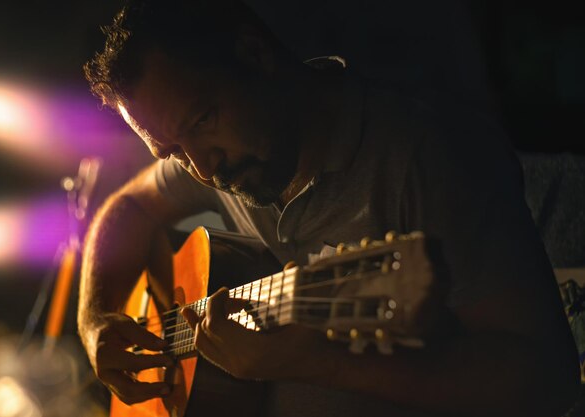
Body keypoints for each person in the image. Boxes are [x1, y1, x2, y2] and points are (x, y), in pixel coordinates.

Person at [77, 1, 580, 416]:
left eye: (203, 120)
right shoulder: (225, 157)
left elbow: (547, 385)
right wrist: (95, 318)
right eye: (171, 153)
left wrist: (321, 361)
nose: (204, 171)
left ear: (254, 54)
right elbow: (130, 206)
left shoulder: (432, 156)